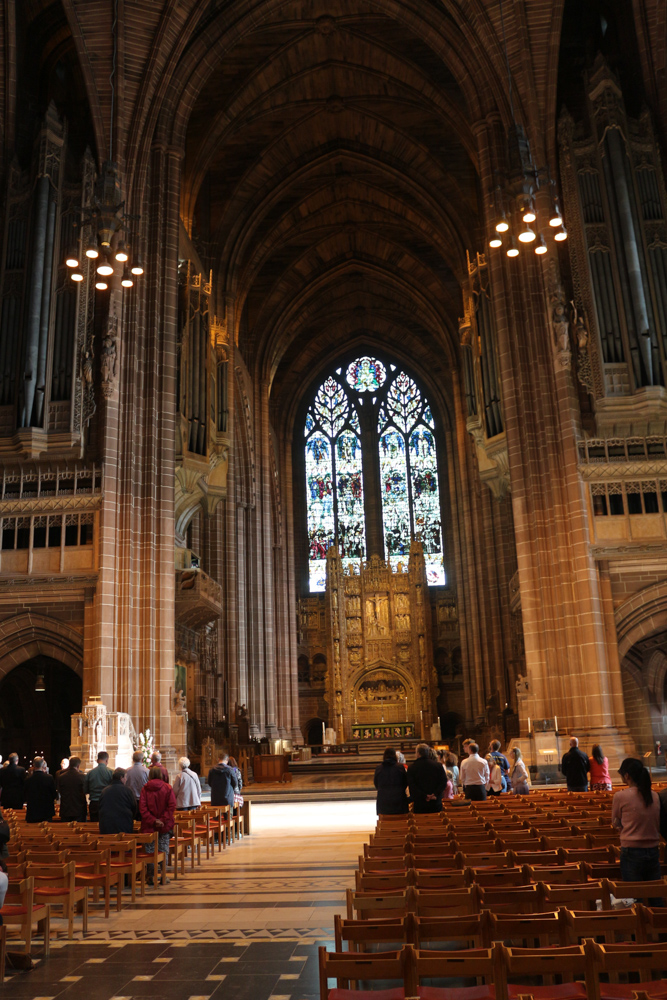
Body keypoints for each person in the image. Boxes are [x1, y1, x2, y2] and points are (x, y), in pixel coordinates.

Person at [612, 757, 662, 905]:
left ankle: (638, 927)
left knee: (633, 898)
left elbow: (615, 822)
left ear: (627, 775)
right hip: (653, 849)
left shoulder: (620, 796)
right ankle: (660, 926)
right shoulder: (654, 795)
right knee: (655, 896)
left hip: (631, 849)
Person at [139, 766, 176, 886]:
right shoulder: (167, 788)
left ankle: (151, 876)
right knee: (163, 849)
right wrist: (162, 820)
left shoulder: (145, 789)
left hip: (149, 825)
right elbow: (171, 806)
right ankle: (163, 876)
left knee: (150, 851)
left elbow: (143, 808)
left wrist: (153, 820)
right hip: (164, 826)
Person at [407, 743, 447, 812]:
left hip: (420, 802)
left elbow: (412, 785)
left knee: (421, 822)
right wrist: (435, 794)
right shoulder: (438, 766)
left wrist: (424, 796)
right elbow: (443, 782)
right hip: (435, 801)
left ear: (418, 753)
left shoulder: (412, 767)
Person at [99, 768, 138, 834]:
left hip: (106, 825)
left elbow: (100, 807)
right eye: (125, 777)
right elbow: (134, 807)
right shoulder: (127, 790)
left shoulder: (104, 791)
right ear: (121, 778)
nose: (126, 779)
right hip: (124, 824)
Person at [374, 747, 409, 814]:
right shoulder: (400, 768)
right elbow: (405, 782)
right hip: (399, 800)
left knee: (384, 821)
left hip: (383, 801)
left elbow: (376, 784)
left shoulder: (379, 768)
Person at [24, 757, 57, 822]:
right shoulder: (49, 778)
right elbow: (54, 794)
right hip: (46, 811)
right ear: (42, 765)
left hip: (33, 811)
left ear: (33, 765)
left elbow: (25, 794)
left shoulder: (28, 779)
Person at [84, 751, 114, 822]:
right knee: (107, 824)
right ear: (107, 760)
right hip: (107, 802)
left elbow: (85, 790)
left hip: (94, 802)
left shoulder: (90, 773)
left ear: (97, 760)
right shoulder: (111, 772)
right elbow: (113, 788)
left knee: (94, 825)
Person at [57, 757, 87, 822]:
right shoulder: (82, 777)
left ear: (69, 765)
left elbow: (59, 791)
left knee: (65, 831)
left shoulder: (61, 777)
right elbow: (86, 791)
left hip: (65, 809)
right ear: (78, 766)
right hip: (79, 810)